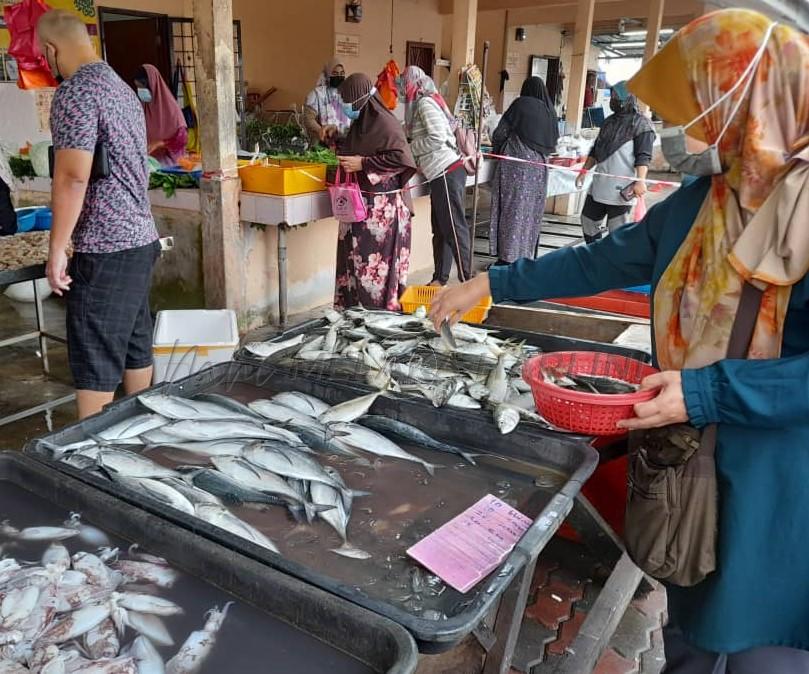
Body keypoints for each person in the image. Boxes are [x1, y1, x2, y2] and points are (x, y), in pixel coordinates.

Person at [431, 9, 809, 673]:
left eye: (699, 108)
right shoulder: (707, 198)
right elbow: (602, 260)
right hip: (695, 467)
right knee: (691, 623)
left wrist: (703, 390)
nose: (684, 131)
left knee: (761, 643)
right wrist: (492, 281)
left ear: (751, 100)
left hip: (781, 483)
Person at [38, 10, 160, 419]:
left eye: (43, 55)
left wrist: (57, 250)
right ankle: (142, 433)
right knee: (133, 342)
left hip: (105, 247)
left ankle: (91, 462)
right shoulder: (120, 87)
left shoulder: (75, 93)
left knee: (95, 359)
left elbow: (72, 177)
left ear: (52, 50)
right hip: (140, 240)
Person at [334, 73, 417, 310]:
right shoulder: (363, 124)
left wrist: (364, 164)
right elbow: (362, 146)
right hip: (361, 208)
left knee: (374, 273)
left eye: (347, 102)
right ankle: (353, 316)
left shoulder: (384, 121)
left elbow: (402, 158)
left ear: (359, 100)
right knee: (354, 266)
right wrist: (336, 140)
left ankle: (377, 321)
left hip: (383, 214)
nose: (345, 108)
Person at [402, 65, 473, 286]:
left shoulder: (424, 103)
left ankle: (467, 281)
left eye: (404, 85)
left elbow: (437, 138)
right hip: (440, 174)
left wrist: (411, 149)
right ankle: (439, 279)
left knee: (453, 228)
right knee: (441, 229)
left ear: (413, 84)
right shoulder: (423, 103)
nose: (402, 91)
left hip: (446, 172)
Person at [489, 76, 558, 265]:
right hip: (540, 170)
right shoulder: (550, 111)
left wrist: (497, 150)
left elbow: (500, 133)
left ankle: (506, 258)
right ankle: (525, 257)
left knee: (512, 210)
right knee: (530, 213)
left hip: (516, 167)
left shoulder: (520, 105)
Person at [575, 81, 654, 243]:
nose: (613, 100)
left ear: (628, 99)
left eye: (616, 97)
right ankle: (596, 256)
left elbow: (643, 157)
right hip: (599, 185)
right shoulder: (608, 122)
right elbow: (596, 150)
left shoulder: (642, 125)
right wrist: (584, 171)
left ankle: (613, 264)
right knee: (588, 221)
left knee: (617, 233)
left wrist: (640, 181)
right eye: (612, 96)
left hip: (621, 190)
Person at [133, 64, 188, 167]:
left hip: (171, 166)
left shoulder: (171, 108)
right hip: (149, 165)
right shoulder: (141, 108)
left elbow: (182, 139)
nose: (140, 91)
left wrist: (160, 143)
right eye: (138, 87)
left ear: (152, 85)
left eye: (142, 87)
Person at [303, 58, 351, 147]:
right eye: (335, 74)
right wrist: (321, 131)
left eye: (342, 73)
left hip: (345, 142)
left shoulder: (348, 93)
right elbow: (308, 119)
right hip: (322, 142)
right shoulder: (317, 94)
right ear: (327, 74)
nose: (339, 76)